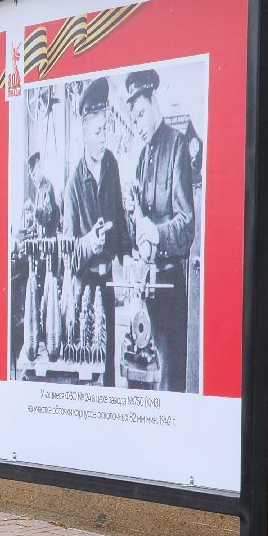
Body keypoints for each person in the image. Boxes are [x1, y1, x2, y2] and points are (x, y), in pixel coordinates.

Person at [125, 68, 196, 392]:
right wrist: (133, 215)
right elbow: (139, 221)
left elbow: (186, 224)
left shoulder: (178, 146)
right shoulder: (142, 157)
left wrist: (156, 233)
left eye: (140, 114)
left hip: (169, 286)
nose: (138, 125)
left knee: (169, 379)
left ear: (154, 101)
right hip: (145, 287)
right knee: (139, 370)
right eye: (134, 118)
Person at [62, 77, 128, 385]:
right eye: (99, 131)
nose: (104, 137)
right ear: (84, 132)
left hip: (109, 277)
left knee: (110, 352)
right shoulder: (73, 186)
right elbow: (67, 252)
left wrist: (127, 253)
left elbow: (119, 212)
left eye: (106, 129)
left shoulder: (111, 163)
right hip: (85, 283)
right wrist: (91, 240)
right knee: (88, 353)